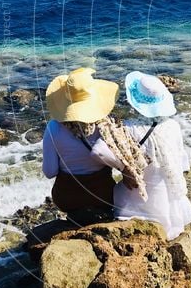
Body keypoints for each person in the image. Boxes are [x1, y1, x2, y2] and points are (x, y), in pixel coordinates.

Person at [43, 67, 138, 225]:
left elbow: (50, 172)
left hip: (67, 198)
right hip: (104, 195)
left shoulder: (54, 128)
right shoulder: (106, 126)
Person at [114, 71, 191, 240]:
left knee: (118, 190)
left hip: (139, 195)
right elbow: (182, 162)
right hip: (169, 197)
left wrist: (124, 170)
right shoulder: (173, 125)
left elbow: (102, 153)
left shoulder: (129, 128)